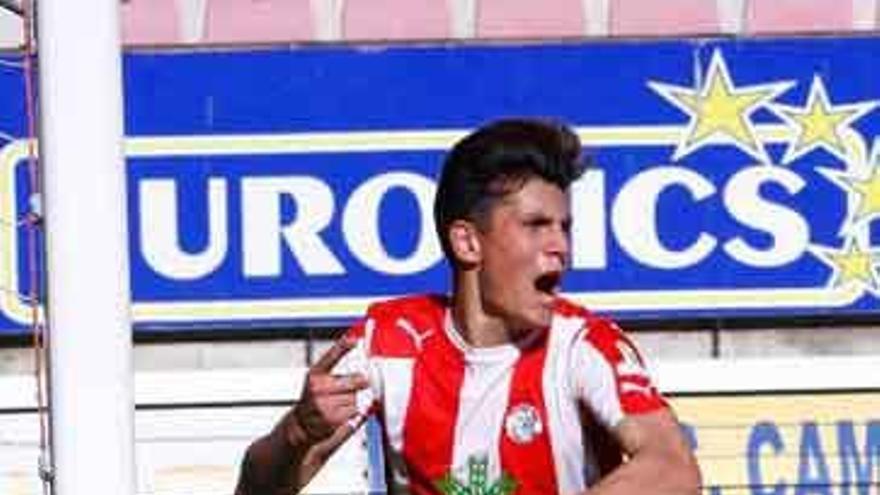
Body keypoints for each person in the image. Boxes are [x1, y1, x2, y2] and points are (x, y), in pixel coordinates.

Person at [235, 118, 701, 494]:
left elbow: (673, 470)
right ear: (468, 242)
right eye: (536, 225)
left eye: (565, 226)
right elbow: (256, 490)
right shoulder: (391, 342)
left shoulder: (583, 345)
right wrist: (298, 432)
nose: (561, 246)